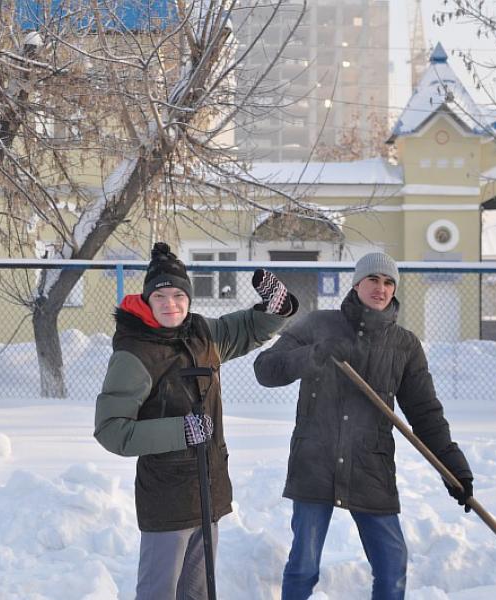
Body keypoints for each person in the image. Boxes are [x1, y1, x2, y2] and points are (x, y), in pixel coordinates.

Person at [253, 252, 474, 600]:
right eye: (373, 279)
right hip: (315, 460)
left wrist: (452, 466)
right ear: (357, 284)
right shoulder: (317, 325)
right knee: (303, 566)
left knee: (392, 566)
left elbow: (425, 412)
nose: (381, 288)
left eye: (388, 282)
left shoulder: (404, 345)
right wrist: (315, 354)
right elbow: (265, 369)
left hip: (371, 464)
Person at [94, 242, 298, 599]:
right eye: (161, 296)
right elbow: (112, 431)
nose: (170, 304)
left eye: (178, 295)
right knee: (159, 593)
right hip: (167, 497)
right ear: (147, 300)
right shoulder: (135, 353)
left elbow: (249, 328)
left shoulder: (201, 333)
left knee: (198, 593)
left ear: (189, 298)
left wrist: (277, 308)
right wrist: (180, 431)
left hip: (208, 490)